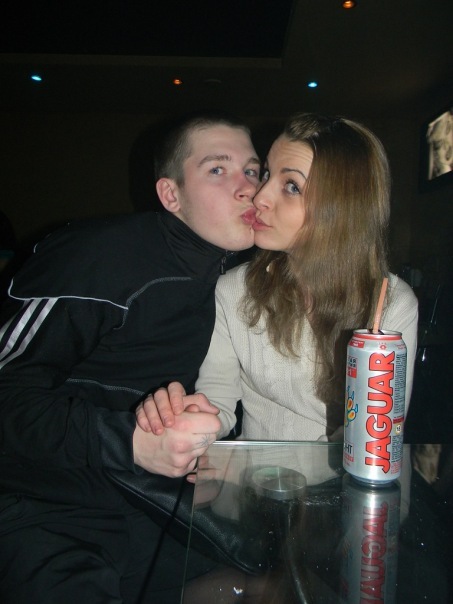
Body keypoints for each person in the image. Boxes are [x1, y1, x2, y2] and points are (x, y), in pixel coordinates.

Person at [0, 111, 260, 604]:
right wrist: (131, 443)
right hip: (39, 504)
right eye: (218, 169)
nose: (247, 186)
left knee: (272, 583)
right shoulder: (96, 257)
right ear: (170, 195)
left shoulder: (227, 278)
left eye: (252, 170)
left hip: (139, 501)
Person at [136, 112, 418, 446]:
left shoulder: (390, 304)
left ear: (342, 208)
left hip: (340, 476)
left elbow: (375, 432)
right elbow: (218, 401)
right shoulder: (234, 289)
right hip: (255, 476)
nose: (259, 197)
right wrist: (185, 419)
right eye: (267, 174)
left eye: (291, 186)